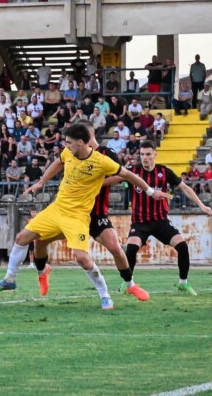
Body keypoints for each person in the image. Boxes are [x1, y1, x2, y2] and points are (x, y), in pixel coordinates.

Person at [0, 125, 170, 310]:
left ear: (81, 142)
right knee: (24, 238)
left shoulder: (103, 160)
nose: (65, 146)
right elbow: (58, 161)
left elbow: (127, 175)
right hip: (57, 209)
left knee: (86, 257)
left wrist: (151, 192)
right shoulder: (69, 152)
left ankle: (109, 292)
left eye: (68, 142)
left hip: (80, 216)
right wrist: (42, 181)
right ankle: (13, 278)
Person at [37, 123, 150, 301]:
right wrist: (42, 180)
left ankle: (130, 285)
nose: (69, 143)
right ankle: (42, 272)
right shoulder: (73, 154)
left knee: (115, 248)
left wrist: (95, 182)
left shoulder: (106, 154)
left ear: (87, 136)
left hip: (96, 214)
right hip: (72, 214)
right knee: (40, 239)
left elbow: (122, 175)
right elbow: (59, 162)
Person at [116, 141, 212, 296]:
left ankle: (183, 283)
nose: (145, 158)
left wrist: (202, 206)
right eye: (142, 154)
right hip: (140, 222)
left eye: (148, 154)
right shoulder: (132, 171)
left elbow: (185, 188)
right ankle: (128, 283)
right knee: (131, 249)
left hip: (160, 221)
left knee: (182, 246)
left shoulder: (164, 171)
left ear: (155, 154)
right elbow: (113, 178)